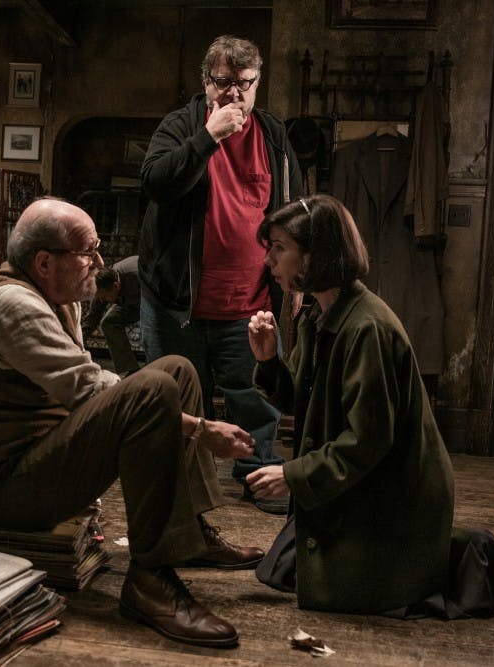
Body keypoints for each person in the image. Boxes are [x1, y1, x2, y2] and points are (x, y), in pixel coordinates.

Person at [0, 197, 265, 648]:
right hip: (12, 489)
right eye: (88, 252)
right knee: (152, 389)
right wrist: (200, 428)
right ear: (44, 263)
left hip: (49, 459)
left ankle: (189, 534)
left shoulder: (59, 297)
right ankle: (149, 580)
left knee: (176, 371)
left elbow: (88, 387)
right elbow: (88, 388)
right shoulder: (11, 304)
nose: (99, 263)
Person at [245, 194, 455, 613]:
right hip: (355, 483)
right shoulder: (319, 313)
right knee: (280, 568)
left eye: (280, 248)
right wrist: (268, 360)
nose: (269, 260)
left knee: (326, 588)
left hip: (391, 496)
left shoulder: (366, 328)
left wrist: (293, 475)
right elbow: (301, 400)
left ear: (314, 255)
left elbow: (368, 440)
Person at [138, 34, 303, 514]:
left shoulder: (273, 135)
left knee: (253, 397)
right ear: (206, 82)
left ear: (257, 83)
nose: (234, 93)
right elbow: (155, 182)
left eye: (245, 83)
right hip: (178, 303)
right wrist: (207, 138)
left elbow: (293, 212)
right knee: (176, 398)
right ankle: (180, 490)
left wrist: (297, 279)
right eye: (224, 81)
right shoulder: (181, 126)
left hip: (249, 301)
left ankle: (257, 475)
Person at [82, 255, 142, 376]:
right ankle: (130, 369)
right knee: (109, 321)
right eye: (100, 298)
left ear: (116, 286)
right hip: (129, 301)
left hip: (152, 298)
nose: (103, 300)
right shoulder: (102, 288)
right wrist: (75, 345)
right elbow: (91, 320)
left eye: (104, 297)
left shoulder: (135, 277)